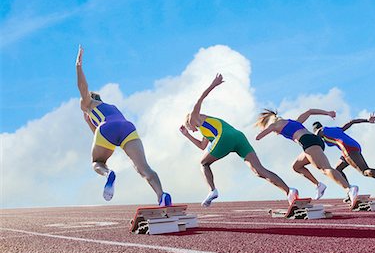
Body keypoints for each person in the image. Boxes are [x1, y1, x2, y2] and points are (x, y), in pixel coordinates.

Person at [179, 74, 299, 207]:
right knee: (258, 170)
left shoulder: (193, 118)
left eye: (190, 129)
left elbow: (199, 100)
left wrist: (213, 84)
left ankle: (212, 190)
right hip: (238, 137)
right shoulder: (205, 130)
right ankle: (289, 191)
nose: (192, 130)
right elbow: (202, 146)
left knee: (203, 163)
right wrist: (187, 135)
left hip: (225, 137)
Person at [75, 45, 171, 206]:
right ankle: (162, 196)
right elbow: (102, 134)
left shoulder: (88, 102)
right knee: (143, 168)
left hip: (106, 130)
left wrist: (78, 66)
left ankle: (108, 173)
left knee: (97, 163)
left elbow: (83, 89)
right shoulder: (110, 107)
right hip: (127, 128)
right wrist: (89, 122)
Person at [255, 109, 359, 206]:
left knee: (325, 168)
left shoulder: (274, 125)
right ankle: (318, 185)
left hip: (307, 142)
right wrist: (328, 113)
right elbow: (309, 112)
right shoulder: (295, 122)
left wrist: (268, 129)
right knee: (297, 166)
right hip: (315, 141)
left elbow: (258, 137)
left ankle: (349, 188)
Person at [312, 112, 375, 202]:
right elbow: (351, 122)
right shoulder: (335, 129)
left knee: (365, 171)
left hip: (348, 149)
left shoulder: (321, 131)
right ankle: (349, 191)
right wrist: (367, 120)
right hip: (351, 147)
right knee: (337, 170)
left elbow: (318, 132)